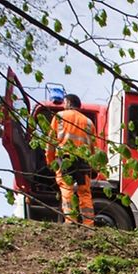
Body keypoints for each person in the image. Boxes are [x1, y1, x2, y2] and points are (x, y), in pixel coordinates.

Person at [45, 94, 98, 226]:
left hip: (65, 158)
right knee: (84, 192)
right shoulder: (89, 123)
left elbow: (50, 142)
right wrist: (94, 167)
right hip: (83, 161)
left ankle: (70, 221)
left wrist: (50, 161)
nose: (63, 105)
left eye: (64, 102)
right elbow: (94, 148)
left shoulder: (60, 117)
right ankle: (88, 223)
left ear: (68, 102)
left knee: (66, 189)